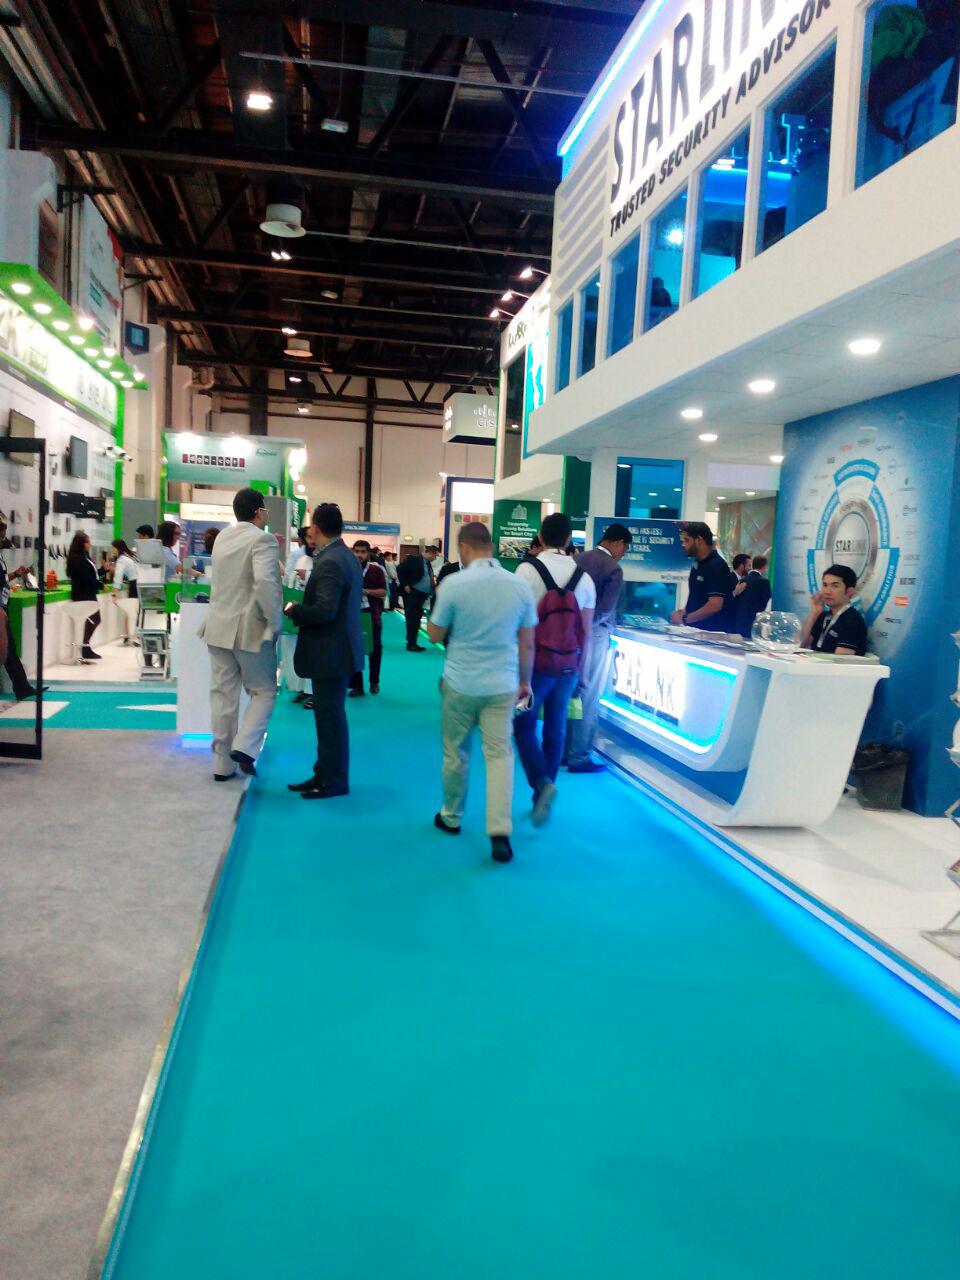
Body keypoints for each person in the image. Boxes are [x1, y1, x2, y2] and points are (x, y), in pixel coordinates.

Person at [427, 521, 537, 864]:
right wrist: (524, 682)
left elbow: (434, 634)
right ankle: (500, 832)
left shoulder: (453, 584)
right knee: (500, 755)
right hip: (503, 684)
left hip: (460, 681)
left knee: (456, 752)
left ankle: (451, 816)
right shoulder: (519, 586)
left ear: (463, 547)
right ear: (490, 546)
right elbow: (527, 643)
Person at [514, 512, 596, 825]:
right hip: (568, 666)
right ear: (568, 539)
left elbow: (516, 622)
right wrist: (581, 670)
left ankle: (541, 783)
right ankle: (543, 795)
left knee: (523, 724)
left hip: (534, 664)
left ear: (540, 536)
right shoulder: (584, 578)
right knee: (556, 725)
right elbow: (586, 631)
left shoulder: (527, 571)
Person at [198, 488, 283, 781]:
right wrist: (275, 621)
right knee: (264, 690)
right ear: (258, 511)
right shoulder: (263, 539)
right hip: (250, 631)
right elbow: (265, 582)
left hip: (217, 627)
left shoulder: (223, 537)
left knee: (223, 696)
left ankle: (222, 764)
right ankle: (245, 747)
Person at [286, 503, 363, 800]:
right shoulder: (343, 556)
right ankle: (324, 773)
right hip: (337, 650)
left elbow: (325, 610)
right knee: (328, 717)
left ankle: (333, 780)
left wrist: (295, 611)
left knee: (330, 719)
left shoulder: (331, 560)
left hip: (331, 652)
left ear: (316, 528)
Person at [567, 522, 632, 774]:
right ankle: (580, 755)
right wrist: (587, 626)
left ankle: (563, 751)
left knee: (570, 691)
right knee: (589, 694)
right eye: (624, 548)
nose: (623, 553)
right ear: (617, 542)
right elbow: (605, 609)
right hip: (594, 635)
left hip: (568, 633)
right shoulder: (612, 568)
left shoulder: (577, 559)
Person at [0, 509, 39, 699]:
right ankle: (21, 687)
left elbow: (2, 580)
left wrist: (16, 574)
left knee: (10, 650)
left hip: (3, 606)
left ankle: (22, 686)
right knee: (7, 650)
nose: (3, 539)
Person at [669, 521, 732, 631]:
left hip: (712, 633)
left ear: (699, 540)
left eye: (687, 540)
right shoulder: (697, 564)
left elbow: (715, 605)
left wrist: (685, 619)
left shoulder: (717, 565)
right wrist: (682, 612)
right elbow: (697, 599)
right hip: (696, 631)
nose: (683, 545)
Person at [801, 564, 868, 656]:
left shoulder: (852, 621)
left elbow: (841, 660)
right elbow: (800, 644)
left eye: (834, 586)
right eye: (825, 585)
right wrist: (814, 613)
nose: (827, 591)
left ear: (849, 591)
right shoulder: (823, 616)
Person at [349, 539, 387, 697]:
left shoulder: (376, 570)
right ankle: (357, 686)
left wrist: (366, 591)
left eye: (363, 552)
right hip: (352, 615)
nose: (359, 555)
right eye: (357, 551)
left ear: (368, 553)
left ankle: (374, 681)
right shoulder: (348, 569)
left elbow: (383, 591)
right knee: (353, 650)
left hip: (372, 615)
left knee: (375, 649)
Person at [66, 532, 102, 660]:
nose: (89, 544)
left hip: (88, 593)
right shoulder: (77, 559)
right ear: (80, 543)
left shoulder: (84, 557)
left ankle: (85, 647)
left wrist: (103, 570)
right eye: (87, 542)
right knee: (95, 619)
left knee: (94, 620)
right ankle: (85, 647)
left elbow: (91, 574)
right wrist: (100, 584)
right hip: (83, 594)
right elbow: (85, 577)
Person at [397, 544, 439, 651]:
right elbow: (400, 570)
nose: (435, 558)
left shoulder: (427, 564)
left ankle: (413, 642)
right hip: (413, 594)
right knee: (412, 620)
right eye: (435, 556)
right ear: (431, 553)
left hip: (422, 596)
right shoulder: (413, 560)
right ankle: (411, 644)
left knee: (417, 619)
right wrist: (405, 585)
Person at [733, 554, 772, 638]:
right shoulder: (764, 582)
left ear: (753, 565)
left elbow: (736, 599)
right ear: (765, 566)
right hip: (755, 623)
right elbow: (767, 602)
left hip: (740, 622)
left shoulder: (743, 580)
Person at [110, 538, 139, 645]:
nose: (112, 551)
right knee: (134, 611)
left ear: (118, 548)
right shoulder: (131, 555)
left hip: (134, 584)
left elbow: (117, 578)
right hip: (140, 583)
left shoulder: (121, 560)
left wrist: (114, 594)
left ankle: (129, 636)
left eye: (113, 548)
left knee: (130, 611)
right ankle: (130, 635)